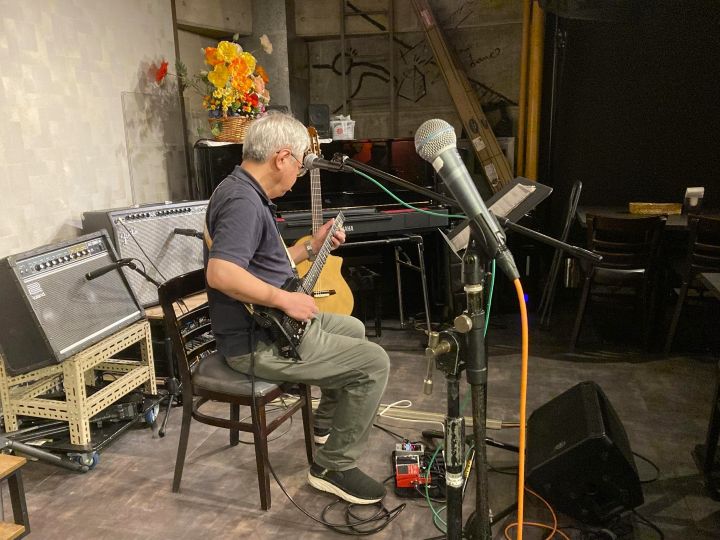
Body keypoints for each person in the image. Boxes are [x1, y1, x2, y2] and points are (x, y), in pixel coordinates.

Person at [203, 112, 390, 505]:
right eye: (302, 165)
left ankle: (325, 426)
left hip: (272, 326)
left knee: (354, 330)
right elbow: (221, 273)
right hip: (259, 342)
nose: (300, 175)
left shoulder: (242, 190)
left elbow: (267, 265)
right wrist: (285, 299)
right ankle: (333, 467)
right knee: (374, 363)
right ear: (282, 157)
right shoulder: (242, 202)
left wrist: (311, 245)